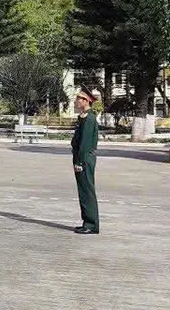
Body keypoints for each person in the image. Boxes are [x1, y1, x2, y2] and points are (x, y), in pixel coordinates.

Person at [71, 90, 100, 235]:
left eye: (79, 99)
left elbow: (85, 143)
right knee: (83, 191)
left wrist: (80, 162)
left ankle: (91, 224)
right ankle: (87, 222)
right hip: (80, 157)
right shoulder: (83, 117)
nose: (77, 101)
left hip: (85, 159)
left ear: (86, 101)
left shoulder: (89, 118)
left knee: (87, 191)